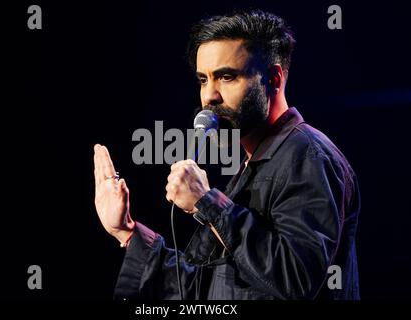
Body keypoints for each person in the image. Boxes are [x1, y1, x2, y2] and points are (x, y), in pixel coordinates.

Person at [93, 10, 360, 300]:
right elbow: (208, 290)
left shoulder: (307, 155)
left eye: (226, 77)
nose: (209, 96)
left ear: (273, 78)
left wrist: (207, 202)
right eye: (203, 80)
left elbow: (295, 278)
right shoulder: (254, 164)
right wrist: (127, 232)